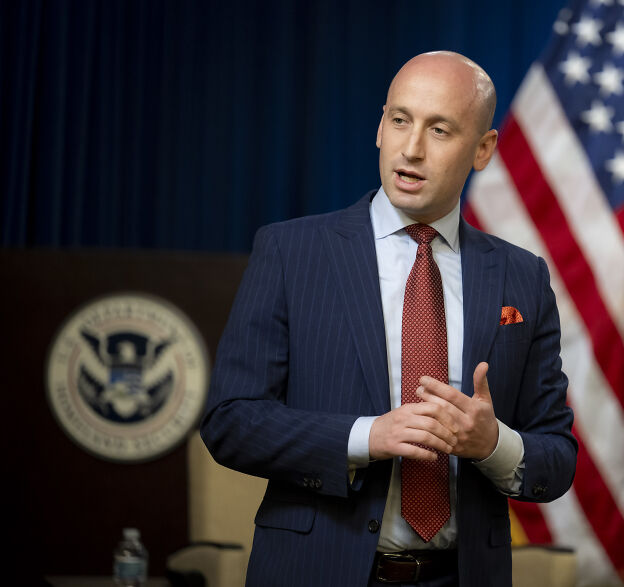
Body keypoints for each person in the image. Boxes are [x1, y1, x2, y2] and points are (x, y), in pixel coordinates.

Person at [201, 51, 577, 587]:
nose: (412, 148)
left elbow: (557, 456)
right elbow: (230, 421)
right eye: (400, 120)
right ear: (380, 127)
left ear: (483, 149)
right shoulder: (291, 252)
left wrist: (492, 444)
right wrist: (366, 436)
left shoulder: (523, 277)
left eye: (441, 130)